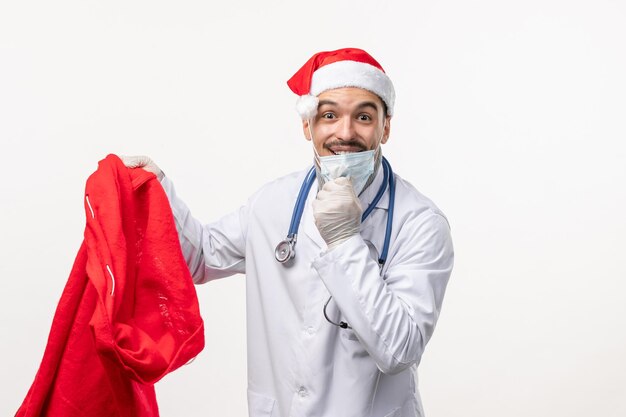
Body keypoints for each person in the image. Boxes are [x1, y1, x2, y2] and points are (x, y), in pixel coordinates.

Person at [122, 47, 454, 417]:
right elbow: (199, 257)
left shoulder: (420, 223)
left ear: (385, 127)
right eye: (329, 115)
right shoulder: (274, 203)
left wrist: (344, 240)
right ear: (307, 125)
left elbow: (399, 351)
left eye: (363, 116)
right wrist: (156, 191)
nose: (345, 132)